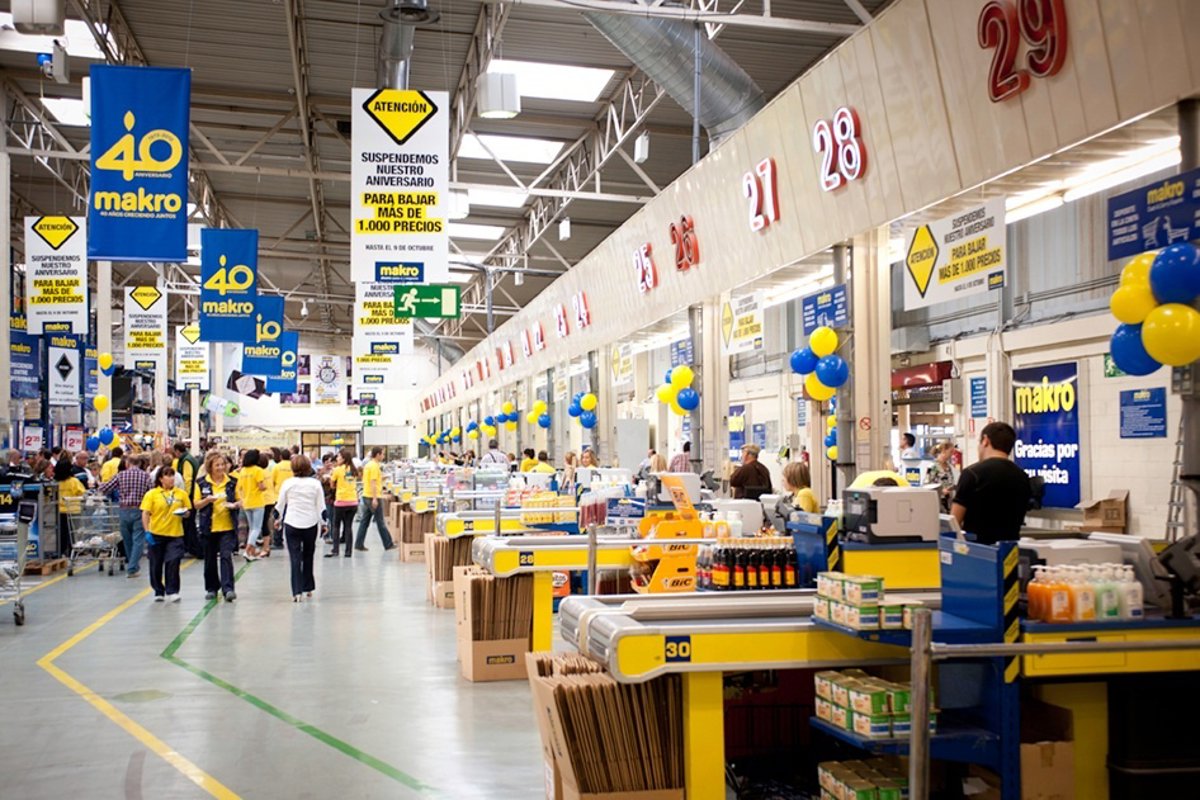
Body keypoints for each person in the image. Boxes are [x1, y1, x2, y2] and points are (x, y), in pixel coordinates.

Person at [951, 422, 1032, 545]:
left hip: (976, 549)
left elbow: (954, 522)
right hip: (1009, 550)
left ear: (985, 440)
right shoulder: (1022, 477)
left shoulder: (972, 474)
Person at [276, 455, 325, 602]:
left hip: (292, 523)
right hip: (310, 523)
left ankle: (296, 592)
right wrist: (324, 524)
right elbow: (321, 506)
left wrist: (277, 519)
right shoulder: (315, 484)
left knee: (295, 558)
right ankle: (307, 587)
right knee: (308, 555)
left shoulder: (287, 483)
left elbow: (280, 504)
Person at [193, 451, 241, 602]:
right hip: (208, 526)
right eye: (217, 465)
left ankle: (228, 588)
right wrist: (207, 500)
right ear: (210, 467)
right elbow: (196, 504)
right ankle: (211, 588)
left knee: (226, 556)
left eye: (222, 464)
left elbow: (241, 500)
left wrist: (234, 505)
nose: (220, 468)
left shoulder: (232, 482)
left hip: (227, 526)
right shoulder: (201, 483)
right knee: (210, 559)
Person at [98, 453, 153, 578]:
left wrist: (97, 484)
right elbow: (151, 491)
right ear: (140, 463)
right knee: (138, 539)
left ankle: (132, 566)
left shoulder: (120, 475)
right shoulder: (146, 476)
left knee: (127, 539)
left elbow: (106, 487)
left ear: (127, 463)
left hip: (123, 510)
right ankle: (132, 568)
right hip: (139, 510)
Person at [140, 466, 191, 602]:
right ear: (161, 479)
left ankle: (172, 590)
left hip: (175, 533)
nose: (171, 478)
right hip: (156, 533)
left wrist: (185, 513)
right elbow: (145, 513)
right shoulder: (152, 494)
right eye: (167, 475)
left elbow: (188, 511)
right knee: (155, 564)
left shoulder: (181, 494)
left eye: (172, 475)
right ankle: (158, 590)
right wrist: (147, 531)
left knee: (173, 561)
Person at [355, 446, 395, 552]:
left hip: (366, 495)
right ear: (377, 454)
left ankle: (359, 544)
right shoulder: (373, 466)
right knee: (380, 521)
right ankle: (388, 544)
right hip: (373, 496)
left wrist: (384, 477)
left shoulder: (370, 465)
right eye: (382, 454)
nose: (383, 456)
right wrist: (374, 498)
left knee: (364, 521)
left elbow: (374, 479)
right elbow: (373, 482)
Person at [326, 448, 359, 557]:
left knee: (336, 526)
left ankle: (335, 550)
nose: (337, 458)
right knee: (348, 526)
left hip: (341, 501)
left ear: (344, 458)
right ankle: (348, 552)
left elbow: (332, 485)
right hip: (353, 501)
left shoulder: (337, 470)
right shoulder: (354, 469)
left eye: (339, 456)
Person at [237, 449, 269, 560]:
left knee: (252, 528)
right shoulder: (258, 470)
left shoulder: (243, 471)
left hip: (247, 502)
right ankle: (247, 551)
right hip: (257, 502)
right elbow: (261, 486)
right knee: (257, 528)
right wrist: (265, 487)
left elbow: (240, 488)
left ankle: (251, 552)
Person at [173, 442, 202, 557]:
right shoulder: (190, 458)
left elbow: (188, 479)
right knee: (190, 524)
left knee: (189, 524)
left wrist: (185, 497)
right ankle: (192, 548)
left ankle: (195, 549)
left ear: (177, 451)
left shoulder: (186, 461)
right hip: (193, 494)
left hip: (190, 495)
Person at [54, 459, 87, 557]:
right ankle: (73, 551)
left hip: (59, 511)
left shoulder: (55, 482)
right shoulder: (74, 481)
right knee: (73, 534)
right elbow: (83, 493)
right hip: (73, 511)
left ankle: (61, 551)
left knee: (62, 533)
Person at [271, 447, 294, 548]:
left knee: (278, 519)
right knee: (291, 519)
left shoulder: (277, 467)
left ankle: (278, 541)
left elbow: (272, 481)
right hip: (292, 496)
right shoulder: (293, 466)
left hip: (279, 496)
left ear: (280, 457)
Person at [924, 442, 957, 512]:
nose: (952, 455)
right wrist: (941, 491)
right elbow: (927, 484)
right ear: (944, 451)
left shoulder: (948, 466)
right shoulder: (933, 466)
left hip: (948, 502)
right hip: (938, 502)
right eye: (950, 452)